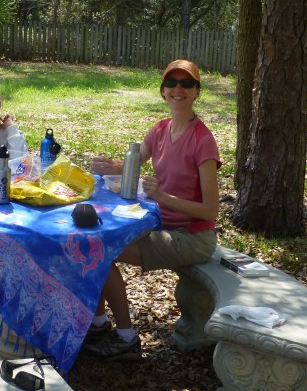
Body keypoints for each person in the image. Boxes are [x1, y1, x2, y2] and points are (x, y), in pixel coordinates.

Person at [86, 60, 220, 361]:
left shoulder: (203, 140)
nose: (178, 89)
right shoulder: (160, 129)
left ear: (197, 92)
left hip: (192, 237)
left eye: (187, 83)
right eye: (171, 82)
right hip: (161, 225)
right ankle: (97, 323)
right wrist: (110, 167)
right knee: (92, 241)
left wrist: (163, 196)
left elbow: (211, 211)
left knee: (101, 250)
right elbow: (133, 164)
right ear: (162, 91)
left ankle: (125, 338)